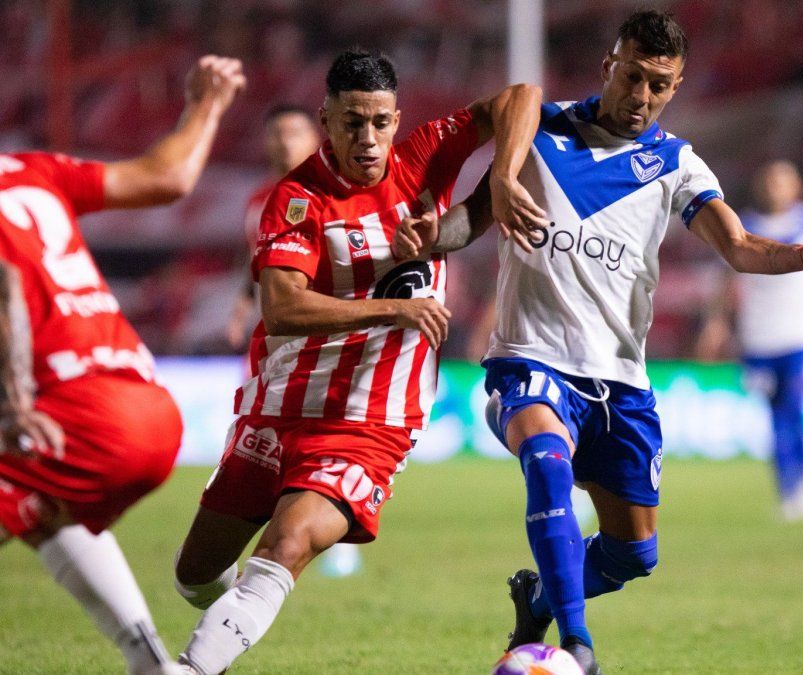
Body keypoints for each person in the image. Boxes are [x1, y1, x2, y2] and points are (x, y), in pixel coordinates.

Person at [429, 10, 803, 673]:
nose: (641, 97)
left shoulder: (674, 163)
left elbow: (741, 246)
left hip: (621, 381)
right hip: (532, 357)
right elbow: (473, 200)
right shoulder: (542, 130)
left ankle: (541, 599)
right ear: (610, 66)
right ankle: (577, 648)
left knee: (634, 553)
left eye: (659, 85)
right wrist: (415, 234)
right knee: (548, 459)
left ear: (676, 86)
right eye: (632, 77)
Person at [171, 50, 544, 674]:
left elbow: (522, 96)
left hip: (369, 420)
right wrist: (391, 311)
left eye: (378, 122)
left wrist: (501, 179)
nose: (366, 139)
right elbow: (284, 308)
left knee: (288, 541)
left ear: (396, 120)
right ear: (326, 119)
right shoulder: (296, 199)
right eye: (350, 123)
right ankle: (228, 625)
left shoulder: (424, 155)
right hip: (279, 407)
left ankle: (190, 667)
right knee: (194, 576)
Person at [0, 55, 245, 674]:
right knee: (46, 508)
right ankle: (150, 663)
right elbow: (167, 178)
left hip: (77, 412)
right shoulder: (32, 170)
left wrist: (12, 403)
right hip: (147, 404)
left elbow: (3, 284)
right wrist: (208, 102)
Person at [696, 160, 803, 525]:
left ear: (797, 186)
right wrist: (716, 324)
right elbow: (723, 283)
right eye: (768, 179)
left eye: (782, 180)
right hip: (759, 339)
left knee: (797, 409)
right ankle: (789, 490)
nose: (774, 186)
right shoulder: (744, 228)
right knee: (776, 418)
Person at [225, 104, 321, 350]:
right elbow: (254, 256)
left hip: (317, 325)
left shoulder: (328, 194)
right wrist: (241, 310)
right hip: (268, 328)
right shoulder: (258, 200)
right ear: (266, 141)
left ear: (314, 137)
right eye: (278, 133)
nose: (286, 142)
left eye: (295, 133)